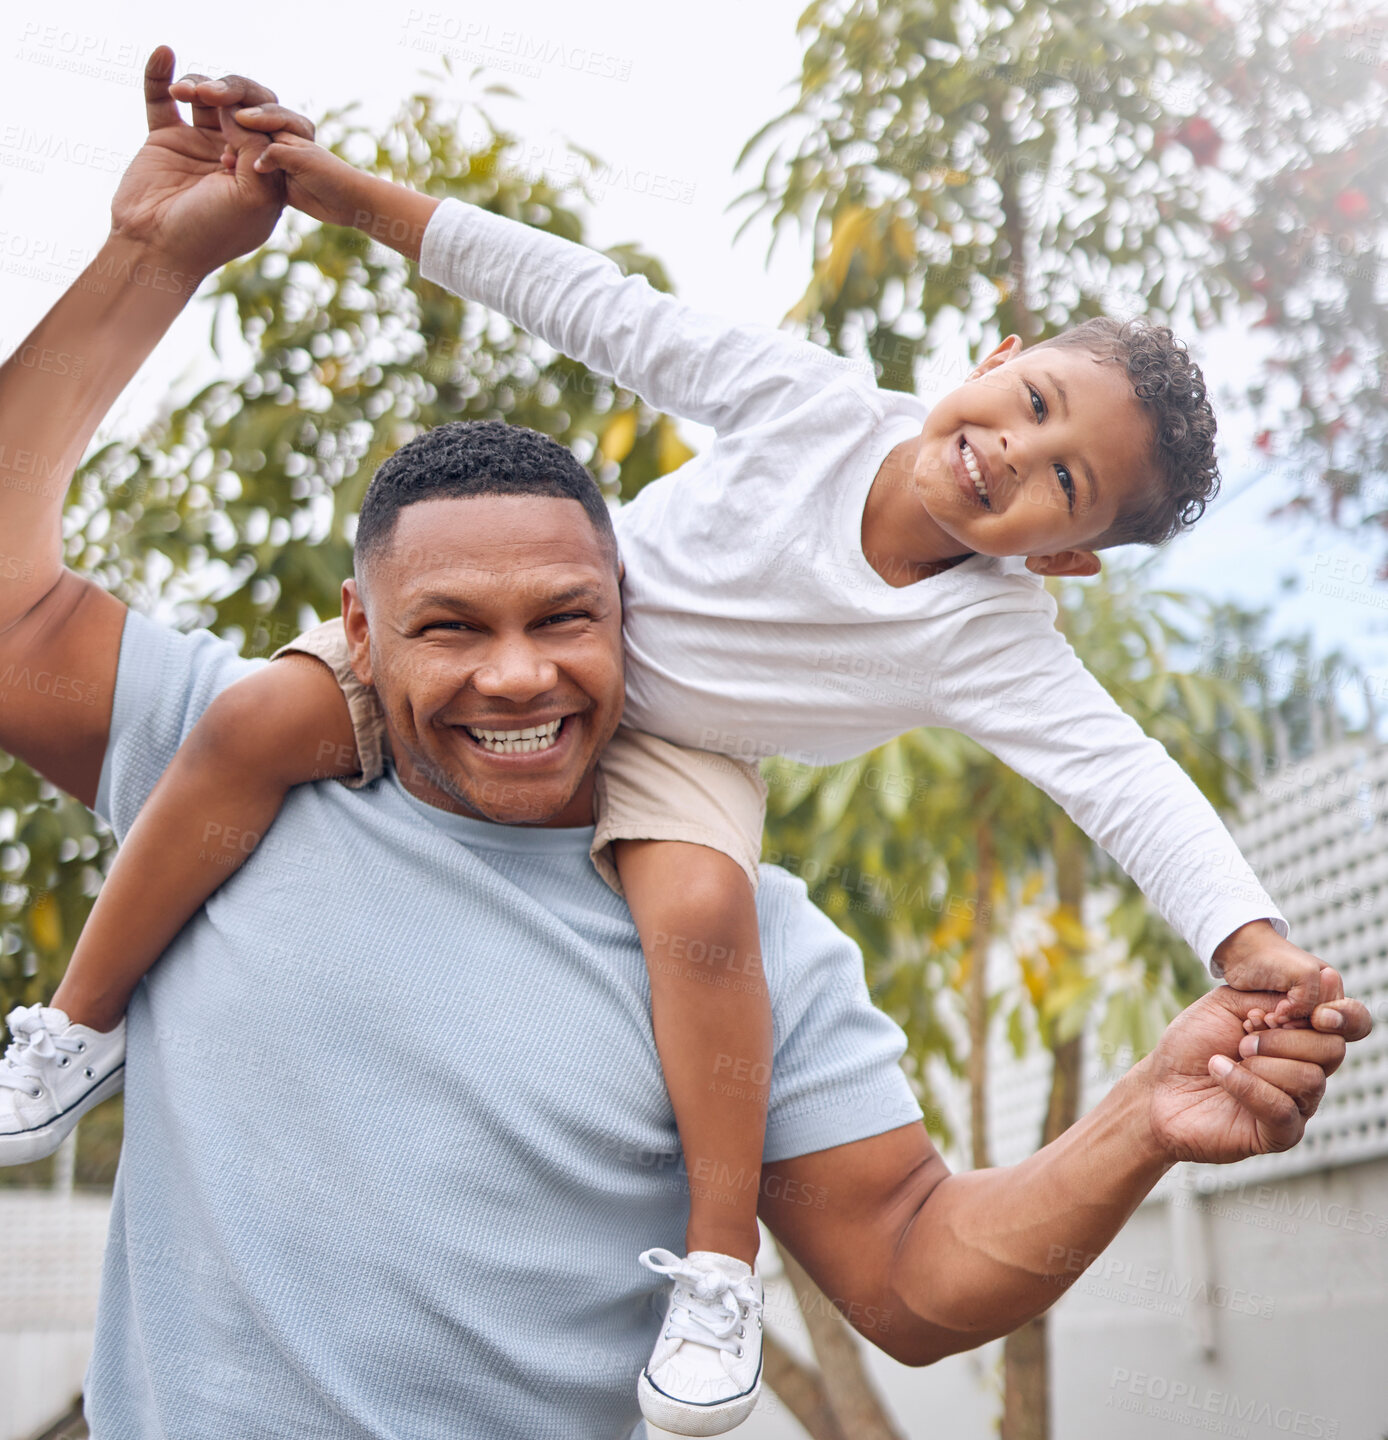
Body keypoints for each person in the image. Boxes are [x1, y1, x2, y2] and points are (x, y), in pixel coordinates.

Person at [0, 52, 1371, 1440]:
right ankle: (73, 1029)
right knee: (250, 717)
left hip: (684, 756)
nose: (1016, 454)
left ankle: (716, 1274)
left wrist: (1232, 955)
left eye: (1064, 478)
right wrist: (327, 209)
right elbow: (595, 304)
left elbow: (1121, 781)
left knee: (702, 909)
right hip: (568, 650)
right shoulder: (808, 411)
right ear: (995, 362)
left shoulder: (977, 665)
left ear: (1069, 561)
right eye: (1030, 407)